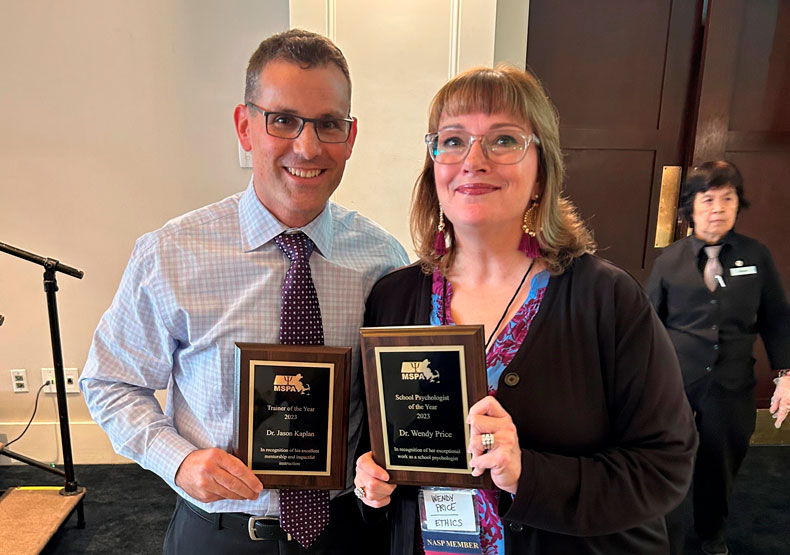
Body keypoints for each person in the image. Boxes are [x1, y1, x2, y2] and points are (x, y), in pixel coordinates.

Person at [79, 29, 407, 555]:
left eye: (328, 124)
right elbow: (110, 383)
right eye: (282, 120)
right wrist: (179, 461)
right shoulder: (170, 254)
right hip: (220, 534)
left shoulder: (383, 260)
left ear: (350, 137)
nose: (307, 146)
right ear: (245, 126)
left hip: (346, 533)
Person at [353, 65, 697, 554]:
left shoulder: (607, 300)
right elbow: (382, 448)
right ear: (433, 168)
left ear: (542, 170)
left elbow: (665, 467)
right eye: (452, 140)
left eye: (503, 140)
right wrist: (371, 481)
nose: (473, 160)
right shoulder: (392, 299)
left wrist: (527, 475)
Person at [646, 160, 790, 555]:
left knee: (720, 464)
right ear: (690, 207)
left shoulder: (756, 256)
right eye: (708, 199)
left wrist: (786, 375)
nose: (718, 208)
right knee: (667, 461)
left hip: (731, 385)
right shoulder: (669, 261)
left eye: (727, 198)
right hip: (675, 384)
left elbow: (777, 316)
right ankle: (665, 536)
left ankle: (712, 534)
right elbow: (648, 328)